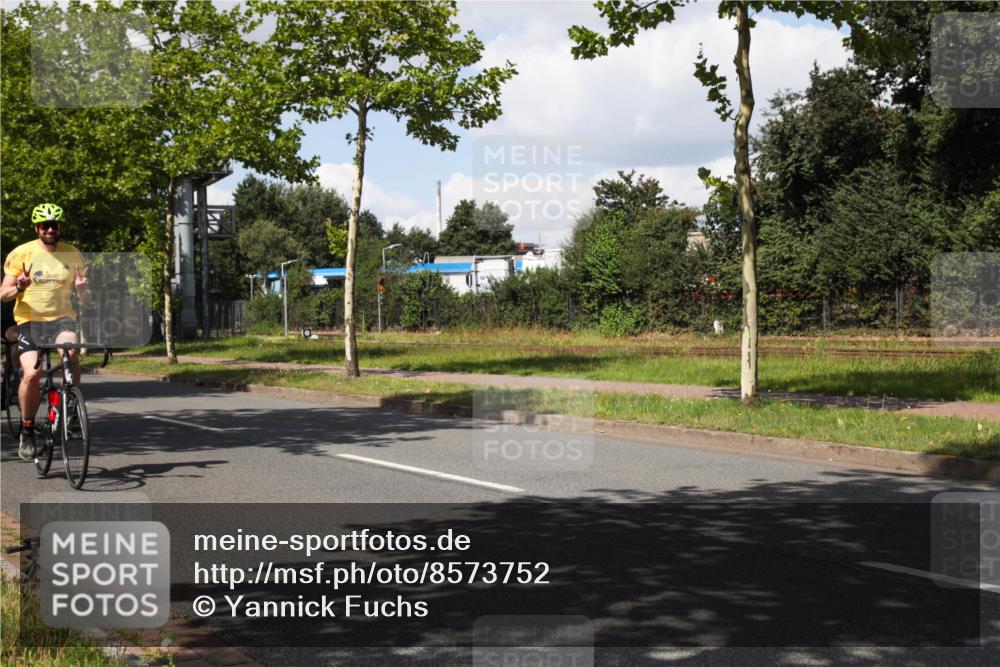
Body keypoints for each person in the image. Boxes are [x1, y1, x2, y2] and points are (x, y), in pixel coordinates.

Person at [1, 203, 90, 461]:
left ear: (60, 227)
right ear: (37, 228)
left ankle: (70, 409)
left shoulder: (72, 254)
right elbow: (3, 294)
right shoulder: (21, 253)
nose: (50, 229)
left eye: (55, 225)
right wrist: (19, 287)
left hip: (62, 319)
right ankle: (27, 429)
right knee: (32, 374)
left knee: (71, 353)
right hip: (30, 320)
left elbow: (85, 300)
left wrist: (82, 289)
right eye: (45, 225)